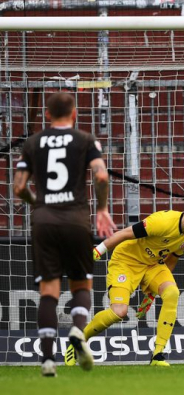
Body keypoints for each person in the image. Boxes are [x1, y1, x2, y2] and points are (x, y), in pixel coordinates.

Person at [13, 92, 116, 377]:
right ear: (74, 115)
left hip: (44, 222)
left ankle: (47, 360)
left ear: (47, 115)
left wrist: (39, 206)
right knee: (81, 285)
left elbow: (19, 187)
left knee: (48, 291)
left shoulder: (32, 143)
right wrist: (103, 209)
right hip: (76, 220)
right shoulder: (85, 139)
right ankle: (77, 332)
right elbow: (102, 175)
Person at [64, 189, 184, 367]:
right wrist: (97, 252)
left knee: (172, 293)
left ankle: (158, 355)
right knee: (119, 312)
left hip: (152, 265)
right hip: (126, 262)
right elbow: (124, 233)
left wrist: (153, 292)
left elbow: (172, 259)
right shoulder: (162, 222)